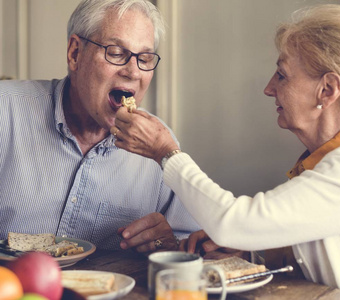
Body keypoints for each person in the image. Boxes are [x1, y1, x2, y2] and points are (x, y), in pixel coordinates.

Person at [110, 4, 340, 294]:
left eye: (282, 75)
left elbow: (235, 222)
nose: (268, 88)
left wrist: (166, 153)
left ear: (327, 90)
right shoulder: (323, 162)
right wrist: (249, 252)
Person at [0, 0, 200, 255]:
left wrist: (167, 242)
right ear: (75, 53)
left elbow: (189, 248)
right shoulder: (4, 111)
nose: (134, 72)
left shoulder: (160, 147)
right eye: (116, 53)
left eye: (146, 58)